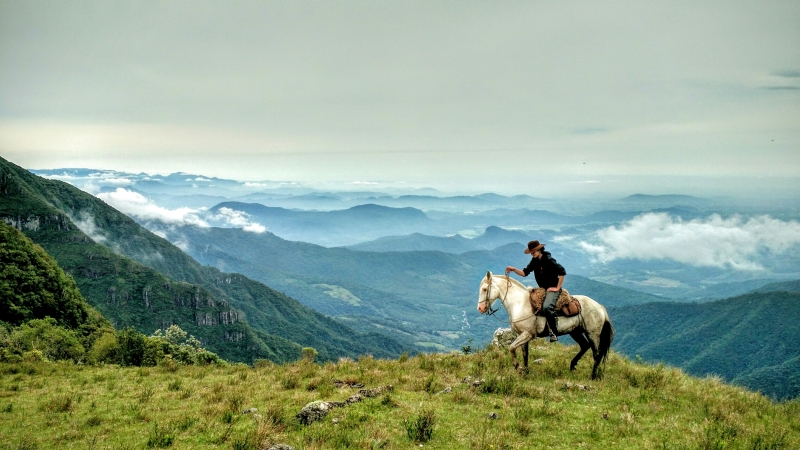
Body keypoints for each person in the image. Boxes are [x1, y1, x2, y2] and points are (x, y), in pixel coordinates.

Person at [505, 240, 566, 342]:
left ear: (539, 250)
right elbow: (525, 273)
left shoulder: (549, 260)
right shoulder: (535, 261)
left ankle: (554, 332)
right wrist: (514, 269)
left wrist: (557, 288)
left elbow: (562, 272)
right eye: (531, 252)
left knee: (547, 307)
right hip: (542, 289)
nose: (532, 254)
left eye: (533, 252)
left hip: (552, 288)